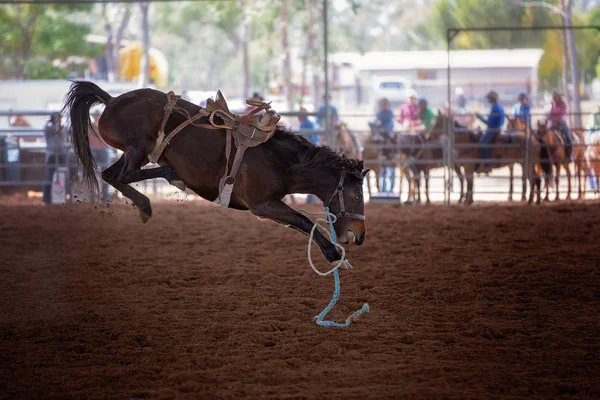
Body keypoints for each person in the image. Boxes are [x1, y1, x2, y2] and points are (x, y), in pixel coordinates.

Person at [475, 90, 505, 173]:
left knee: (482, 143)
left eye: (489, 99)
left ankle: (488, 165)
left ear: (491, 99)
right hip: (496, 128)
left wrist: (480, 117)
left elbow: (489, 123)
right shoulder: (499, 107)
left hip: (493, 129)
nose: (488, 101)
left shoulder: (495, 108)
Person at [42, 112, 69, 205]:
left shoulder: (64, 128)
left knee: (65, 176)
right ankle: (46, 200)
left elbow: (61, 133)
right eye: (56, 119)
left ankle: (66, 197)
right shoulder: (48, 129)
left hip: (61, 154)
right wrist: (51, 122)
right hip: (51, 155)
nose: (58, 121)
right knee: (48, 177)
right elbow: (47, 129)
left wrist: (56, 124)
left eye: (59, 119)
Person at [298, 107, 320, 204]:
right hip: (309, 150)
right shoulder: (306, 123)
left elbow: (311, 138)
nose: (298, 117)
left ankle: (312, 198)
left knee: (309, 173)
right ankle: (311, 197)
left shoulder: (307, 124)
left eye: (300, 115)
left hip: (309, 150)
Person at [88, 109, 110, 202]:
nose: (96, 117)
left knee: (105, 173)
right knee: (93, 172)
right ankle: (93, 196)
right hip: (95, 149)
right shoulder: (90, 126)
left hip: (103, 149)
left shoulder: (105, 125)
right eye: (95, 115)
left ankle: (105, 197)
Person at [547, 91, 573, 161]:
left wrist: (555, 119)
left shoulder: (563, 105)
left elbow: (563, 115)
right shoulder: (553, 105)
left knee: (568, 137)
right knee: (546, 135)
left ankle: (570, 154)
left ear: (559, 97)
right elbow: (550, 114)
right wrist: (550, 118)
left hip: (561, 124)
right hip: (553, 124)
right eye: (553, 97)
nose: (554, 99)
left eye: (555, 97)